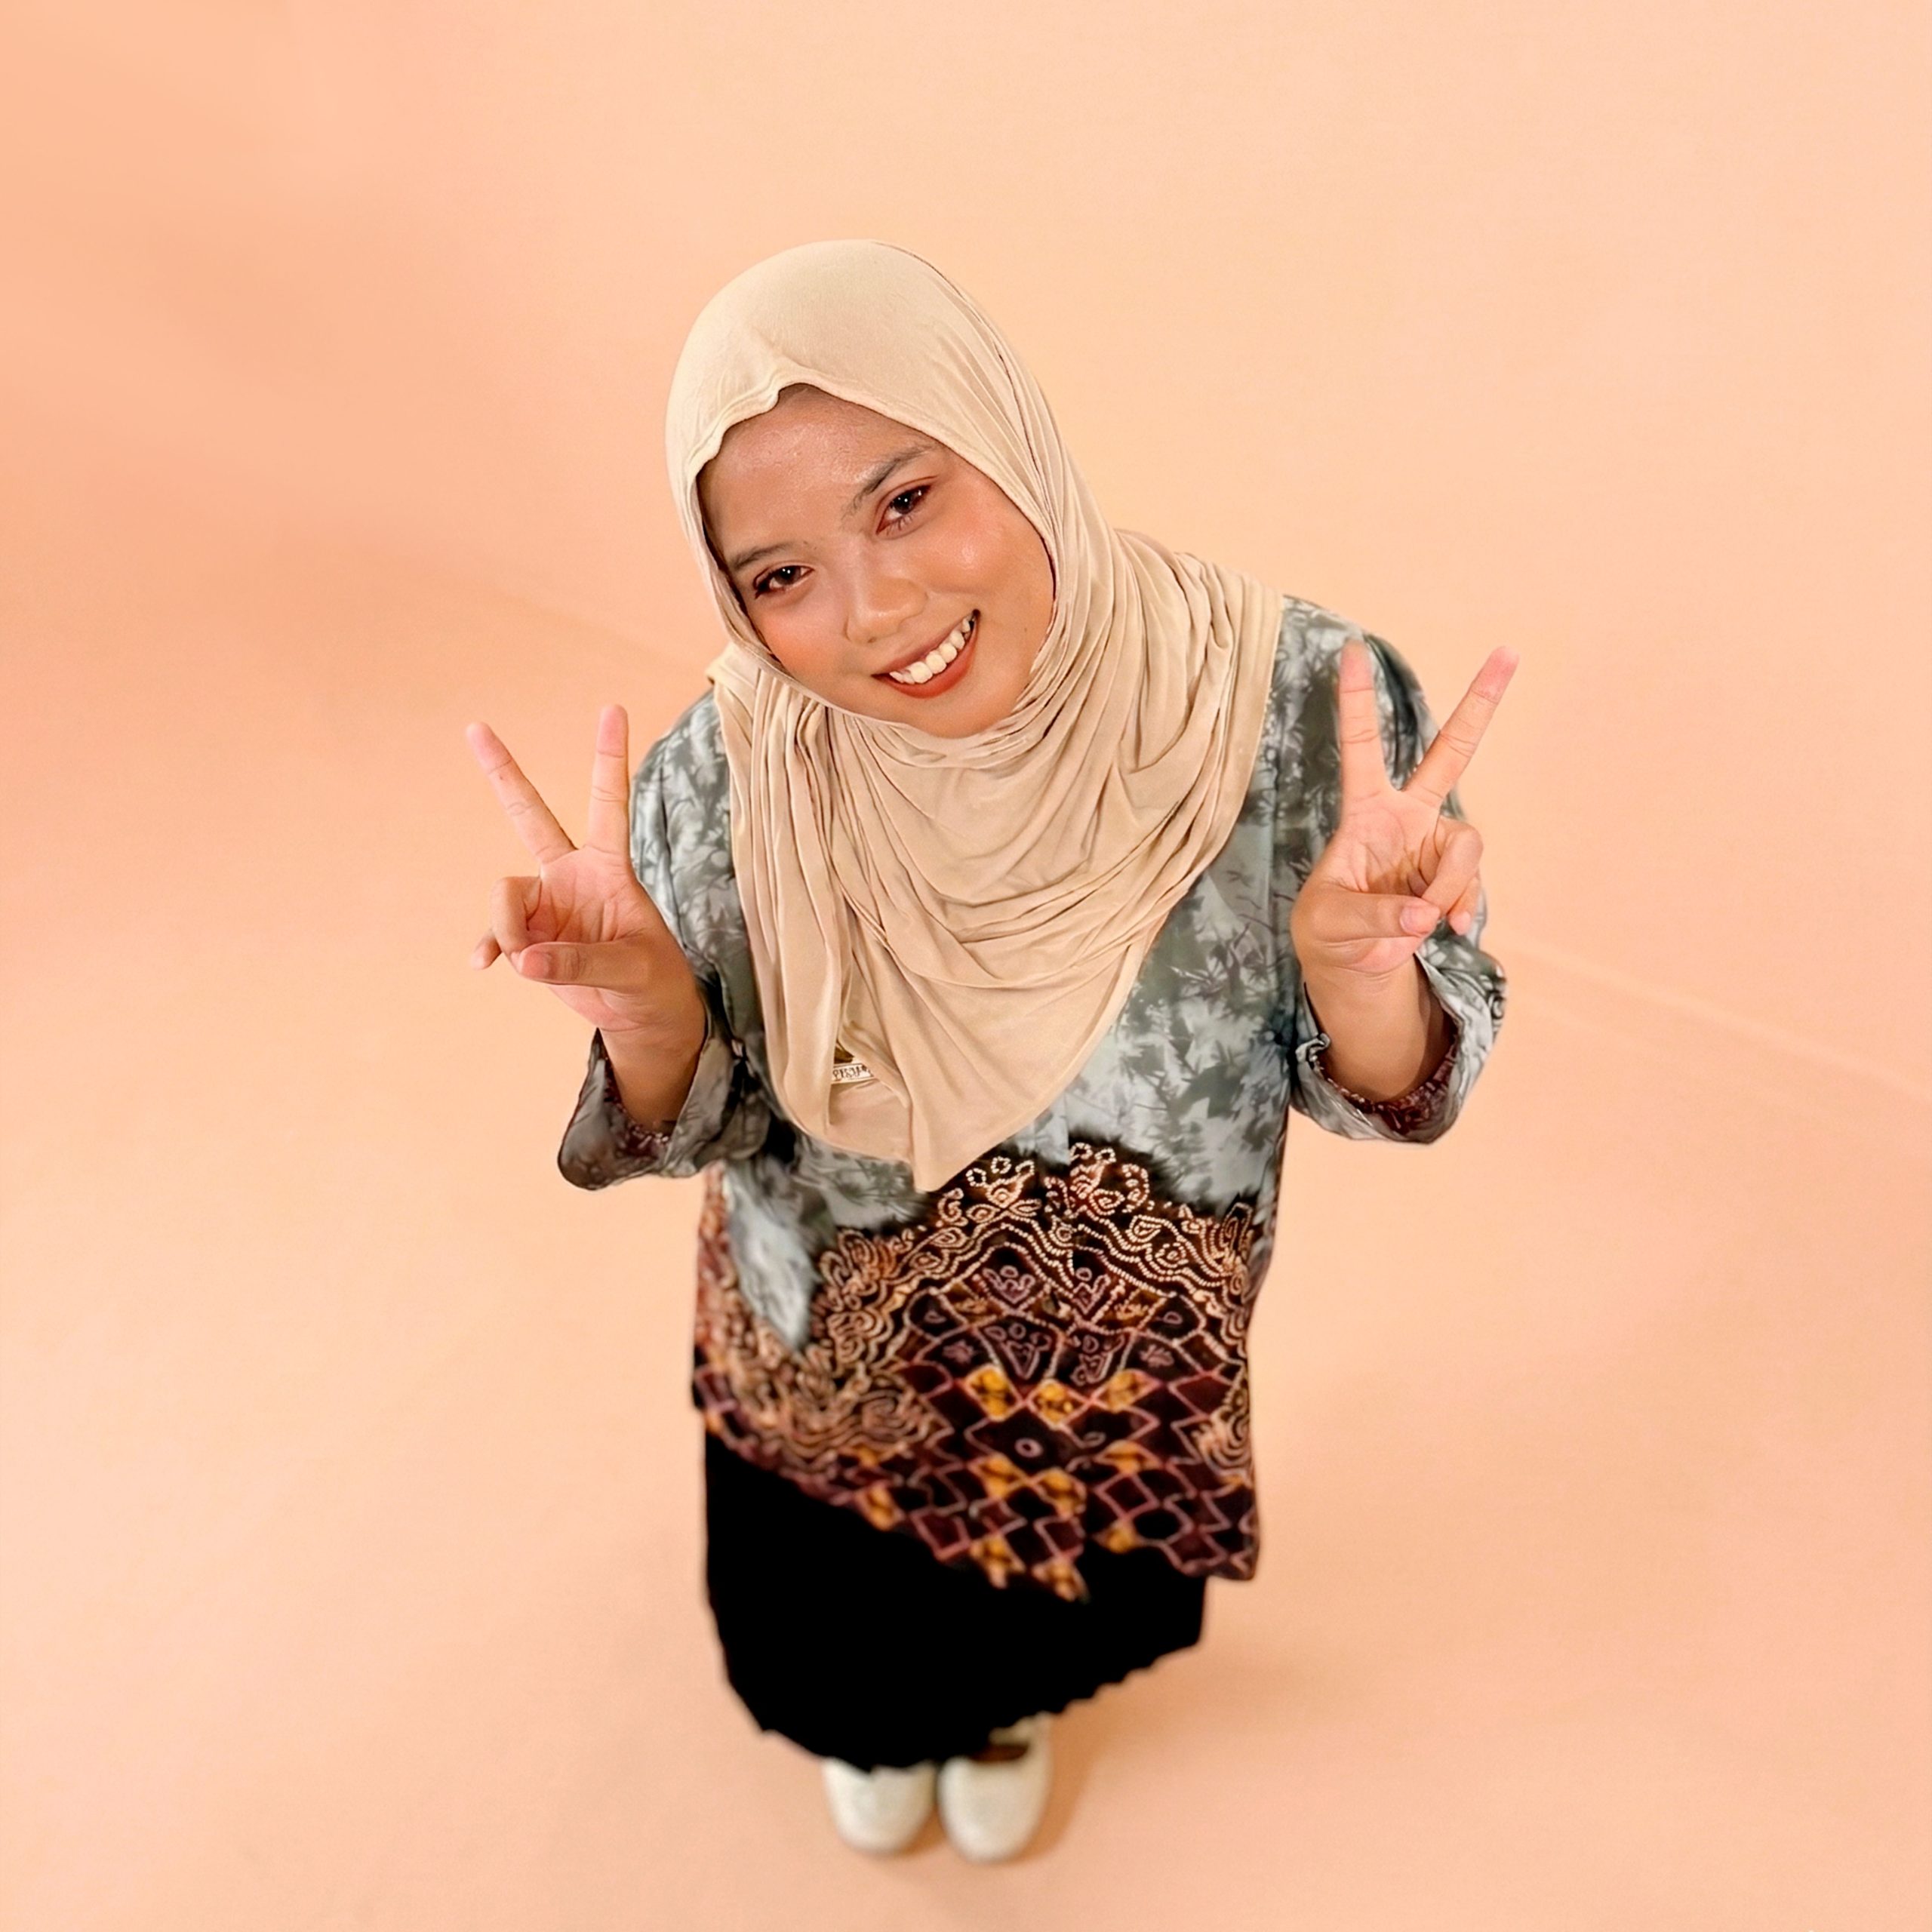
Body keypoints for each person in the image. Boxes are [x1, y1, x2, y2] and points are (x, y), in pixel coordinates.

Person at [465, 239, 1516, 1863]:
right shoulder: (730, 775)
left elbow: (1392, 1084)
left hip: (1103, 1383)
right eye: (781, 577)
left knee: (1043, 1626)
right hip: (830, 1363)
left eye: (904, 501)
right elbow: (707, 1120)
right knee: (840, 1639)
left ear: (1002, 429)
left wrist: (1351, 971)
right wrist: (656, 1018)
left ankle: (1007, 1710)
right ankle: (874, 1719)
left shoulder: (1292, 710)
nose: (877, 612)